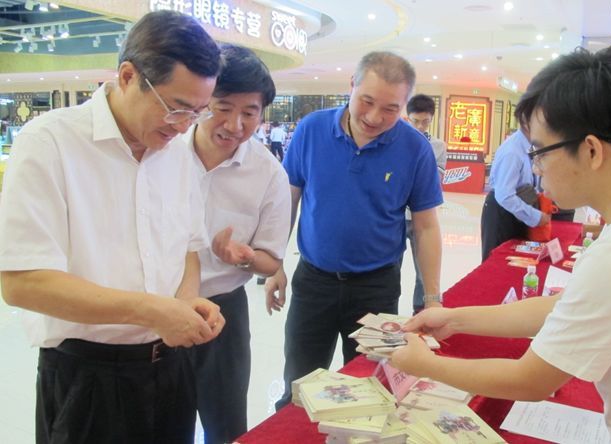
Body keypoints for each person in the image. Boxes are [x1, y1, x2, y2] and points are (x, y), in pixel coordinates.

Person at [391, 48, 611, 444]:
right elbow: (566, 305)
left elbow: (532, 379)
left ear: (591, 150)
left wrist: (426, 365)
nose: (536, 168)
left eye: (539, 152)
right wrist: (455, 319)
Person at [0, 11, 226, 444]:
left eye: (197, 113)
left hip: (170, 371)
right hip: (88, 379)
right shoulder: (49, 143)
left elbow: (188, 249)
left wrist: (185, 304)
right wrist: (151, 310)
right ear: (127, 76)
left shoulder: (177, 155)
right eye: (176, 108)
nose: (183, 126)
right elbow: (23, 283)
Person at [266, 51, 444, 410]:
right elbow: (289, 200)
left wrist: (432, 299)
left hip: (376, 288)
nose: (375, 117)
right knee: (299, 386)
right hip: (314, 282)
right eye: (366, 101)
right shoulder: (312, 130)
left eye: (391, 109)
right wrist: (274, 263)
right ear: (352, 85)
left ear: (405, 105)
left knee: (372, 390)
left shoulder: (415, 149)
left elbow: (426, 227)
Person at [183, 44, 291, 444]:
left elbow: (270, 260)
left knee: (225, 424)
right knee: (159, 420)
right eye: (223, 107)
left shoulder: (268, 174)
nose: (235, 124)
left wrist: (243, 258)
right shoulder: (163, 152)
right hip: (160, 306)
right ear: (201, 101)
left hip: (223, 312)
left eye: (250, 112)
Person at [480, 117, 551, 261]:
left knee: (516, 260)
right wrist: (535, 217)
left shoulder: (529, 146)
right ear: (527, 122)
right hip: (502, 213)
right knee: (497, 262)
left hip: (519, 209)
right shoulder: (512, 151)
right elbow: (505, 196)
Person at [405, 94, 447, 313]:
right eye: (416, 121)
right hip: (396, 216)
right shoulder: (397, 143)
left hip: (422, 217)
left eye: (425, 122)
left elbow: (435, 182)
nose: (420, 126)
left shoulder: (438, 146)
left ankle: (420, 312)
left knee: (424, 272)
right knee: (389, 270)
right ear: (407, 117)